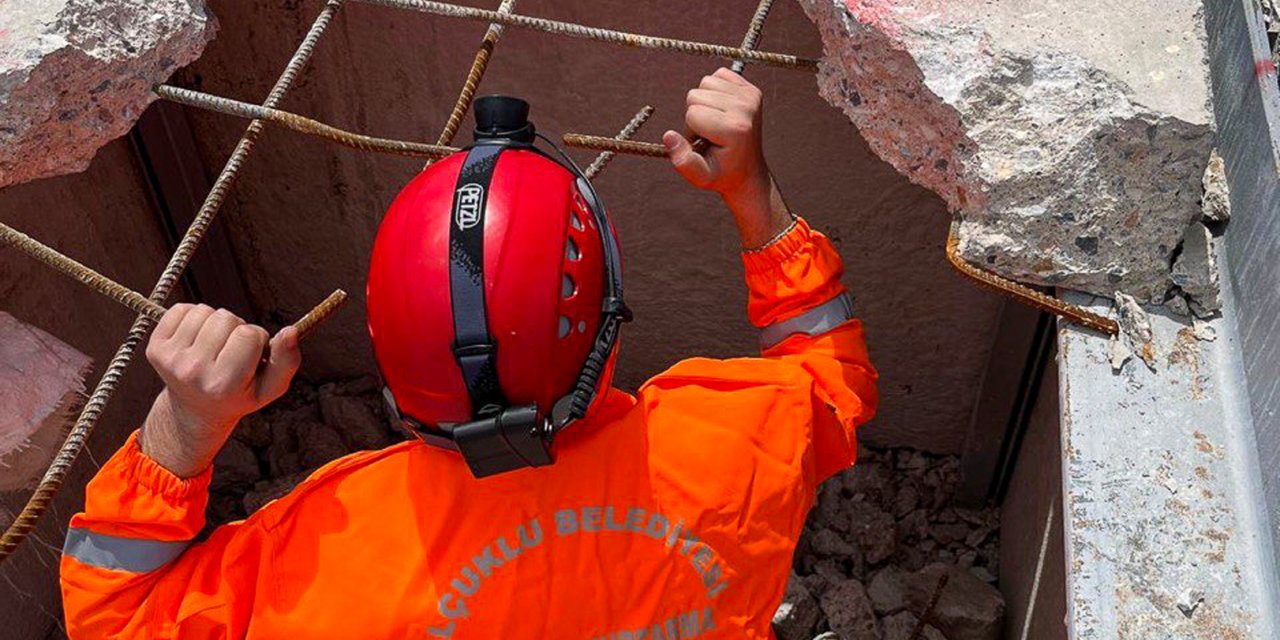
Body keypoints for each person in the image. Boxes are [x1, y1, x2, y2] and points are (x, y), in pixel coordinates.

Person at [60, 68, 878, 639]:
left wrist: (188, 424)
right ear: (608, 319)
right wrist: (751, 193)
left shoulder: (320, 562)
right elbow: (830, 377)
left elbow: (111, 617)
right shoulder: (734, 447)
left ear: (384, 339)